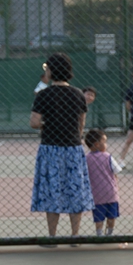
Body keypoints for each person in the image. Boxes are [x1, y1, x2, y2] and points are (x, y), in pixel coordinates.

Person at [29, 52, 93, 244]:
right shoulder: (78, 95)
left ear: (52, 70)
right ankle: (75, 235)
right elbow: (81, 123)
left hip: (50, 148)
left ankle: (52, 236)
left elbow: (34, 122)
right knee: (75, 190)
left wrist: (47, 123)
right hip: (72, 147)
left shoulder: (43, 95)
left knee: (52, 191)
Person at [84, 128, 122, 238]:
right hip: (111, 193)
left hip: (96, 195)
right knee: (112, 216)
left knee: (99, 217)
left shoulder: (87, 158)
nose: (106, 144)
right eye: (104, 142)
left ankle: (99, 234)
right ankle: (110, 233)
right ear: (97, 144)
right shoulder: (108, 157)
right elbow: (116, 171)